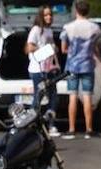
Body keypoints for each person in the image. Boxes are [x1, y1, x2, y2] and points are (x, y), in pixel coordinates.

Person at [60, 0, 101, 139]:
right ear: (88, 11)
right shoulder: (95, 28)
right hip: (88, 65)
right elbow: (96, 48)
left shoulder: (68, 27)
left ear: (76, 11)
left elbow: (63, 49)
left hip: (72, 66)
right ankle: (89, 129)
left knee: (72, 96)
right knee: (87, 97)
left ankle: (71, 129)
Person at [26, 4, 61, 136]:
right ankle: (30, 124)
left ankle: (51, 124)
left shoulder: (49, 30)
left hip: (49, 69)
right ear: (41, 16)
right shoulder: (36, 30)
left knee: (53, 96)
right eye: (46, 15)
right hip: (38, 70)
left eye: (50, 14)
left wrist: (53, 49)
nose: (49, 17)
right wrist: (46, 49)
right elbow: (30, 47)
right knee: (38, 96)